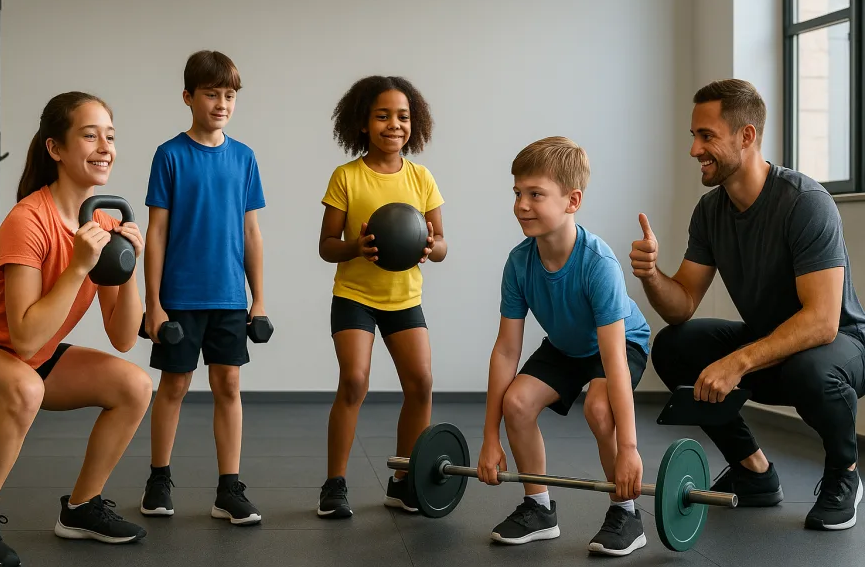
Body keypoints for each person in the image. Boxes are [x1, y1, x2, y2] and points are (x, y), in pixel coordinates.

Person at [631, 78, 865, 531]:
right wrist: (652, 274)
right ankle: (753, 470)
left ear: (746, 136)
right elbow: (681, 306)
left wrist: (736, 363)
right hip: (772, 343)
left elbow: (822, 322)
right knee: (674, 346)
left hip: (842, 346)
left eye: (706, 136)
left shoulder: (805, 203)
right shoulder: (710, 211)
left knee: (810, 368)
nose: (694, 150)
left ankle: (845, 473)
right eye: (693, 136)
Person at [0, 92, 153, 567]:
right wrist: (77, 266)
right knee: (24, 387)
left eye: (110, 136)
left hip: (34, 357)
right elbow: (24, 336)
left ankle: (82, 509)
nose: (105, 147)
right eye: (90, 135)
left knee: (134, 385)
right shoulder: (28, 219)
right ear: (56, 148)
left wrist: (131, 266)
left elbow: (123, 337)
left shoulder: (104, 223)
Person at [478, 136, 651, 556]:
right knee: (516, 403)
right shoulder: (519, 263)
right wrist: (489, 436)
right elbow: (506, 350)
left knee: (599, 408)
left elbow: (612, 357)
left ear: (572, 200)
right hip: (566, 345)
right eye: (517, 193)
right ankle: (538, 509)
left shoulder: (598, 264)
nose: (521, 205)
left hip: (620, 343)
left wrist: (629, 449)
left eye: (535, 194)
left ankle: (626, 513)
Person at [140, 50, 267, 526]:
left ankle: (228, 490)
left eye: (229, 95)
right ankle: (158, 480)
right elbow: (156, 233)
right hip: (179, 297)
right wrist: (153, 304)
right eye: (212, 94)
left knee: (228, 385)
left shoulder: (244, 158)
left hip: (229, 296)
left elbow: (251, 233)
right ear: (188, 97)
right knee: (173, 385)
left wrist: (259, 299)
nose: (222, 104)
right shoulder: (170, 155)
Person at [317, 75, 447, 519]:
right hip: (354, 296)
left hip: (404, 299)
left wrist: (430, 247)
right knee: (354, 382)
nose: (394, 124)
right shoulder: (346, 177)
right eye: (383, 116)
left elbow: (442, 244)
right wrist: (357, 246)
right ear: (362, 123)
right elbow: (326, 246)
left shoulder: (422, 178)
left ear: (415, 123)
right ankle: (334, 484)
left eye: (403, 117)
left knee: (421, 384)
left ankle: (403, 479)